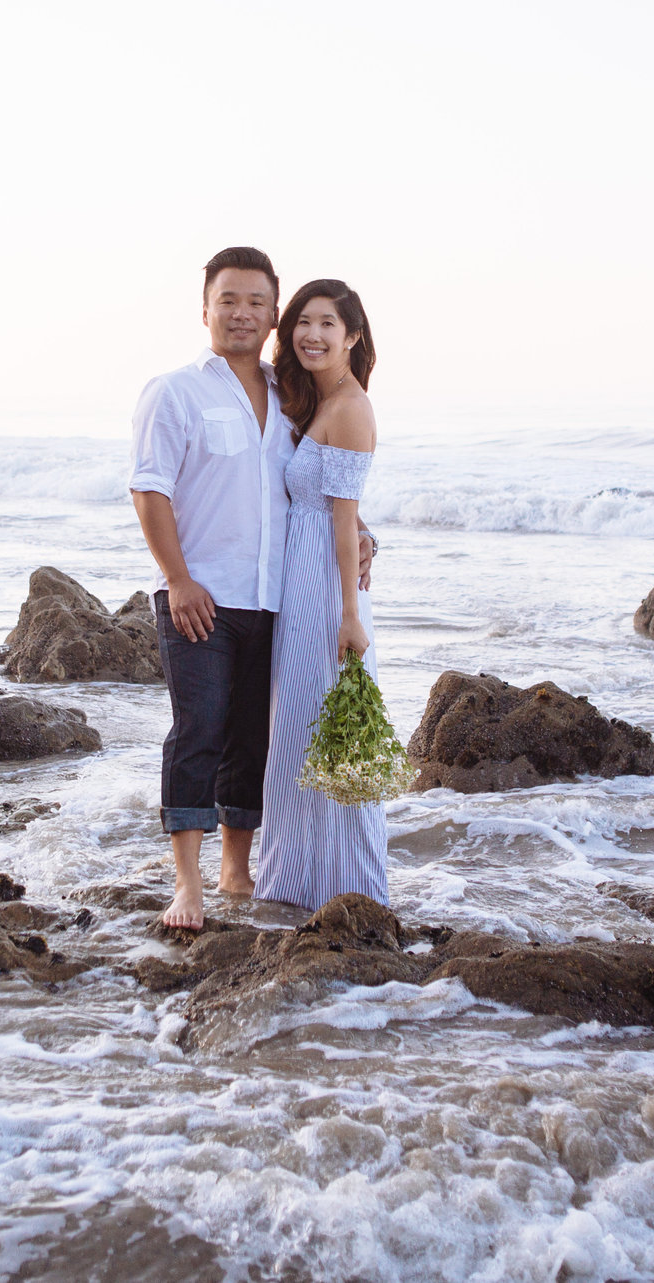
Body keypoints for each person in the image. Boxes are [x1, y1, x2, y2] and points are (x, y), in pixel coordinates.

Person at [129, 247, 372, 931]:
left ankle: (236, 869)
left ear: (272, 313)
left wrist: (366, 532)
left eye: (256, 302)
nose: (242, 313)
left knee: (251, 742)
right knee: (197, 732)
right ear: (205, 308)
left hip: (274, 599)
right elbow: (150, 490)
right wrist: (177, 580)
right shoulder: (175, 390)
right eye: (228, 300)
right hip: (199, 595)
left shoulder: (291, 395)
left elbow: (317, 482)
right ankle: (188, 883)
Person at [252, 279, 389, 912]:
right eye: (302, 321)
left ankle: (347, 891)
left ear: (352, 335)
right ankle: (295, 889)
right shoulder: (321, 400)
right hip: (305, 581)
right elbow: (347, 517)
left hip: (324, 594)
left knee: (323, 737)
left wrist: (351, 616)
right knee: (299, 737)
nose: (311, 333)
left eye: (327, 324)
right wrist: (366, 535)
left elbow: (341, 517)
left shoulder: (351, 406)